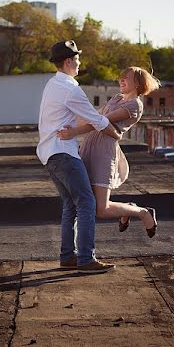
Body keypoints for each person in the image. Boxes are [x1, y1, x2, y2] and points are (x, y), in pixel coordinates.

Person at [37, 40, 123, 274]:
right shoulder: (70, 89)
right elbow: (96, 120)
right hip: (64, 154)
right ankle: (86, 259)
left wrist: (78, 130)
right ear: (68, 62)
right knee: (87, 202)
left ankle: (68, 257)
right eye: (77, 59)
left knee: (70, 205)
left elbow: (81, 120)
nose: (79, 63)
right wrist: (116, 134)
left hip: (50, 155)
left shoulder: (52, 85)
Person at [57, 66, 160, 237]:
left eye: (126, 77)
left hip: (104, 152)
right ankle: (130, 209)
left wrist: (74, 131)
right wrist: (70, 120)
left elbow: (101, 121)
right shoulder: (117, 98)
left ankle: (142, 212)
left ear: (138, 83)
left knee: (101, 209)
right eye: (121, 76)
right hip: (89, 147)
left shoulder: (135, 105)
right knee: (87, 202)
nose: (121, 80)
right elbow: (94, 115)